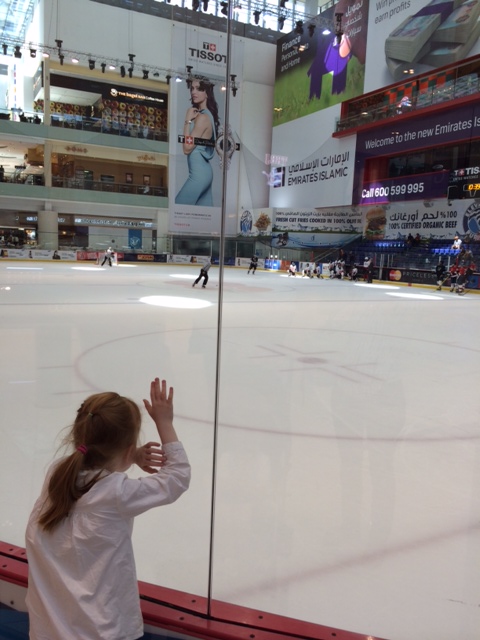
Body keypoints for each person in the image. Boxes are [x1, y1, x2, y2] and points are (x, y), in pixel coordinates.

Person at [25, 377, 190, 640]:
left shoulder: (56, 475)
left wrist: (131, 455)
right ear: (127, 449)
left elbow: (94, 459)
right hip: (101, 632)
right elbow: (177, 478)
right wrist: (164, 422)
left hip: (49, 631)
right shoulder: (116, 493)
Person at [175, 77, 220, 206]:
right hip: (203, 172)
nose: (194, 92)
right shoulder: (204, 115)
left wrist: (187, 120)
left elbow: (187, 148)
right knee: (204, 215)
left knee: (179, 208)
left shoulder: (203, 118)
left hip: (199, 174)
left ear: (207, 93)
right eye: (192, 88)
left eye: (199, 89)